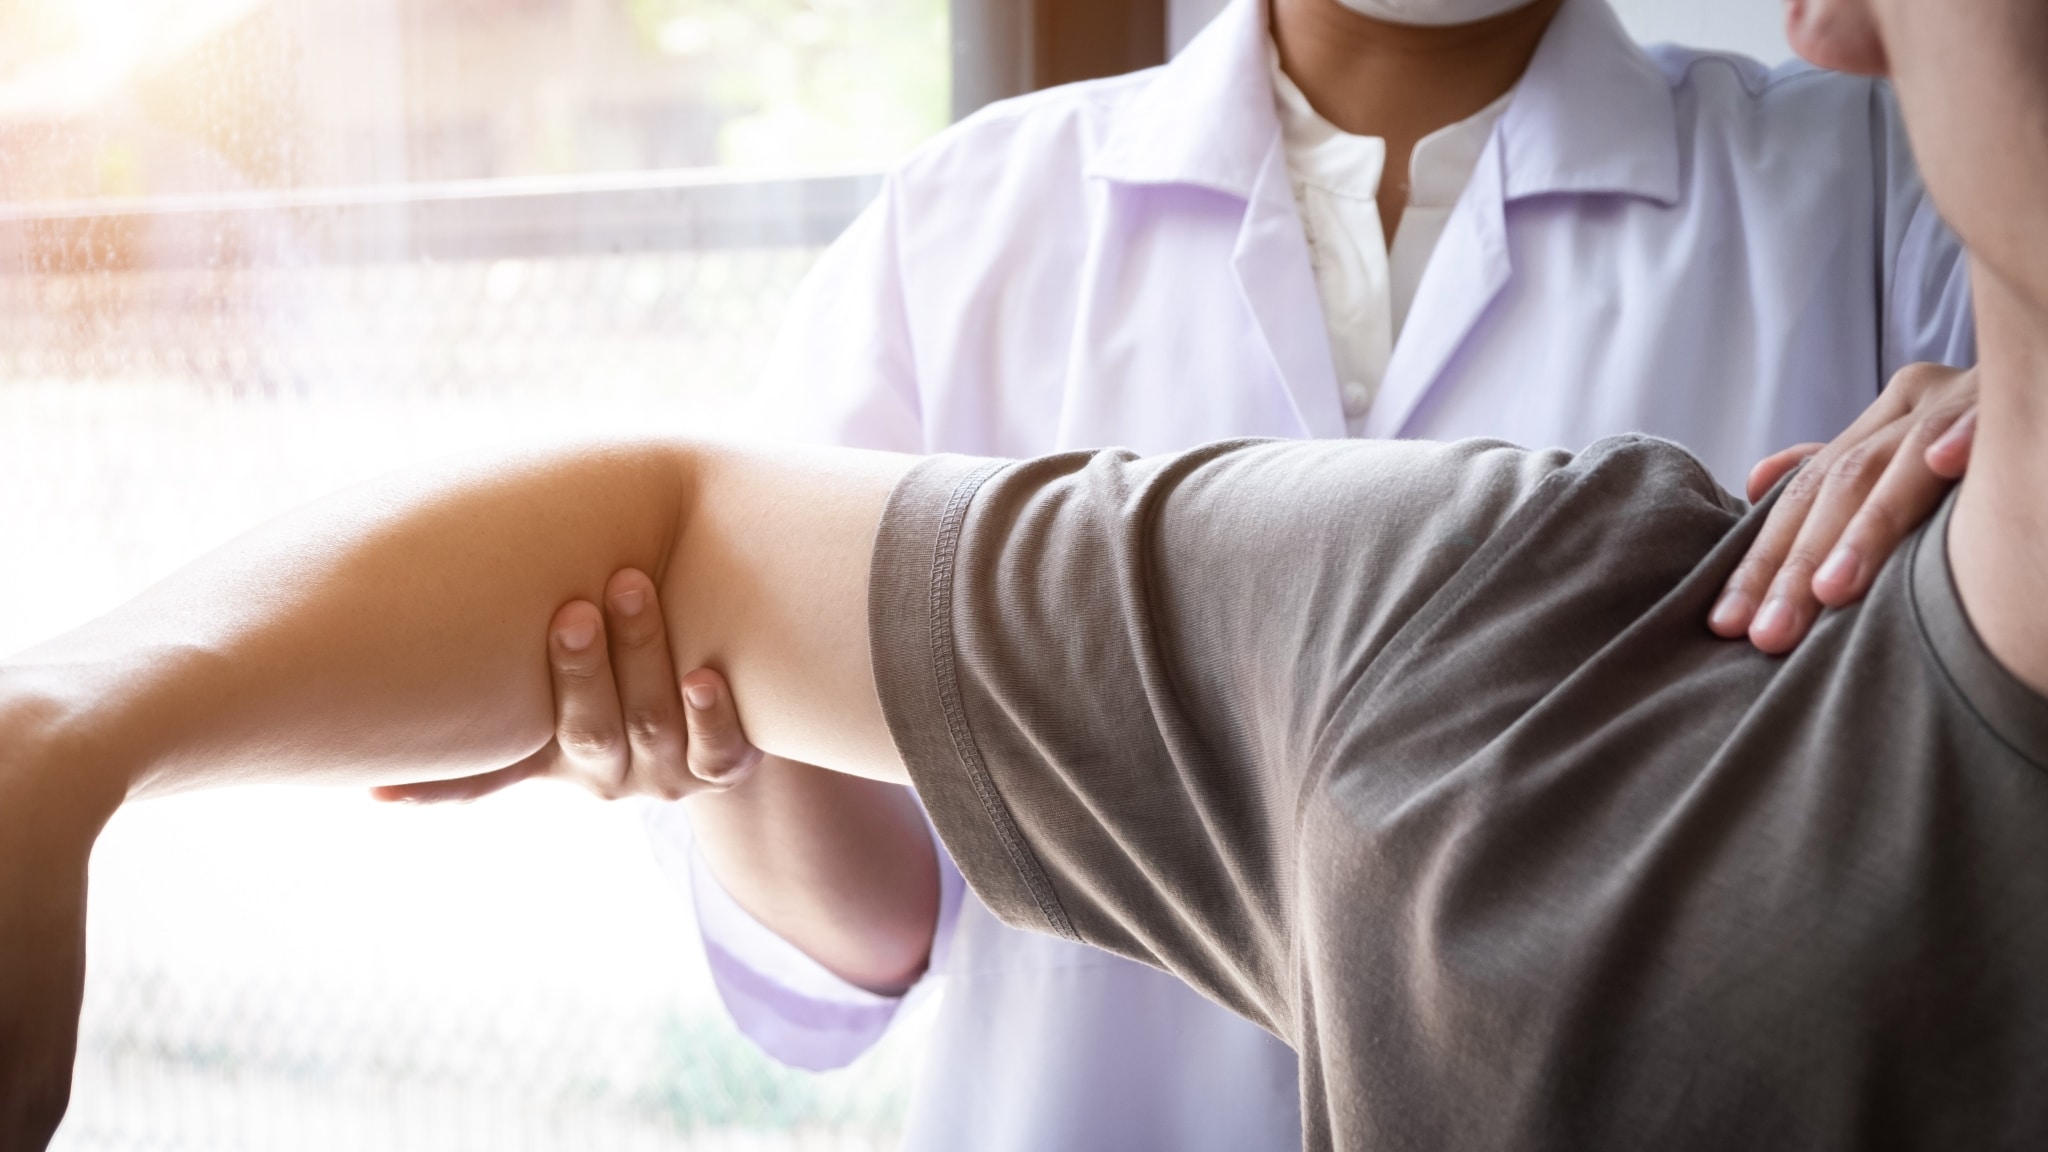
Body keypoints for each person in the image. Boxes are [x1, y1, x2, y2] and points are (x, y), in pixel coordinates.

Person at [0, 0, 2043, 1140]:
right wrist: (724, 730)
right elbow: (838, 892)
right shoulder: (966, 221)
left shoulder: (1882, 191)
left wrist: (1994, 397)